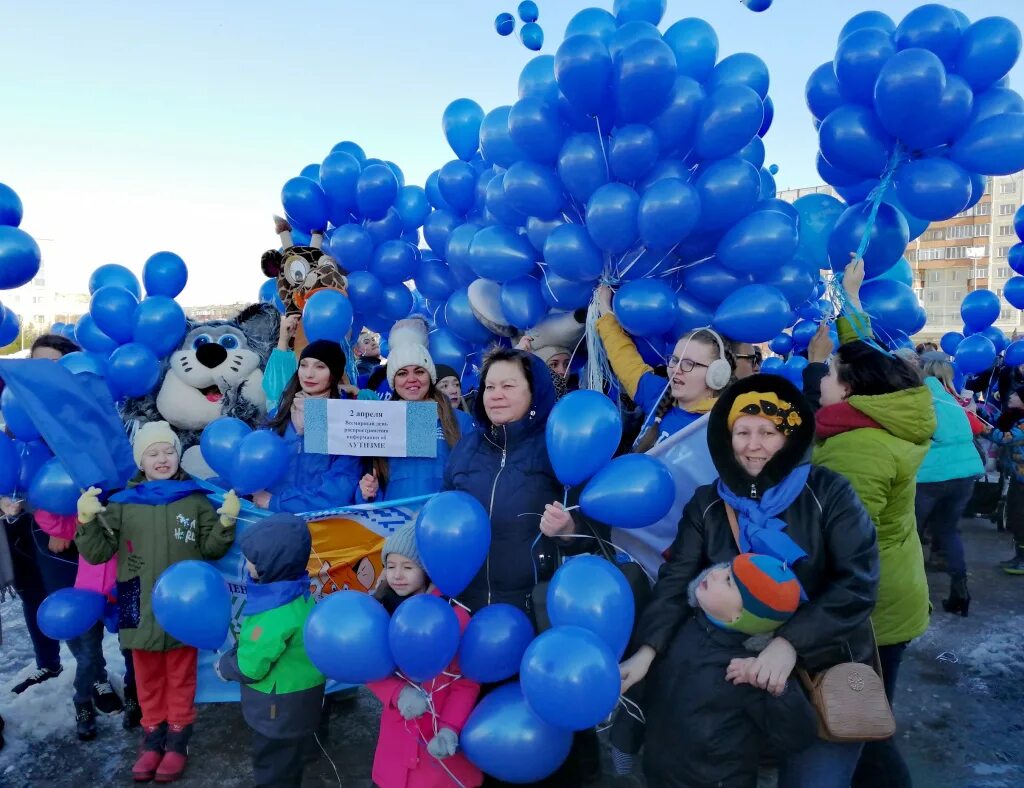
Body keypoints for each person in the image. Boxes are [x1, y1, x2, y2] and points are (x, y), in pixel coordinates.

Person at [618, 374, 880, 788]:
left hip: (819, 669)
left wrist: (788, 644)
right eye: (742, 432)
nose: (753, 446)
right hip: (734, 679)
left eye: (768, 432)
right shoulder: (709, 501)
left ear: (791, 437)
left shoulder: (829, 493)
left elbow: (858, 582)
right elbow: (676, 579)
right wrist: (647, 651)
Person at [804, 258, 933, 788]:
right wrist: (850, 300)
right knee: (863, 716)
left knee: (856, 724)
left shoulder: (857, 448)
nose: (822, 381)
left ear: (851, 391)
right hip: (892, 596)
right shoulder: (888, 414)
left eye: (829, 376)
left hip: (867, 610)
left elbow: (840, 543)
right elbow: (870, 362)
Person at [75, 421, 239, 782]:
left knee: (180, 675)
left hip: (185, 603)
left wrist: (225, 520)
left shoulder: (194, 500)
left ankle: (178, 742)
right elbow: (99, 552)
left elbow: (212, 548)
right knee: (147, 676)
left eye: (168, 451)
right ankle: (152, 742)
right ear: (141, 460)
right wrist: (86, 520)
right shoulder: (121, 505)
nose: (162, 459)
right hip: (136, 599)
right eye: (153, 453)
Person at [4, 334, 135, 735]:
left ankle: (137, 689)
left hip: (108, 534)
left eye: (55, 365)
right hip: (56, 540)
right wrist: (58, 525)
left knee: (129, 613)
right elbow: (32, 478)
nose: (45, 373)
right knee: (81, 623)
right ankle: (92, 681)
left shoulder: (98, 413)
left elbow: (119, 474)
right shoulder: (27, 413)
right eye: (37, 364)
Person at [367, 524, 482, 788]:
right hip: (395, 748)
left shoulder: (454, 618)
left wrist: (450, 729)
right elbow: (368, 669)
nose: (397, 575)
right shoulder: (377, 614)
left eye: (408, 567)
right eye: (391, 565)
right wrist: (397, 694)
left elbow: (465, 681)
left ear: (427, 570)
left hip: (438, 752)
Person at [217, 513, 326, 788]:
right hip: (304, 700)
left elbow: (252, 666)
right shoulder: (298, 592)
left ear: (272, 562)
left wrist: (225, 667)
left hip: (278, 709)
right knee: (292, 761)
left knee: (273, 769)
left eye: (252, 559)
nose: (248, 564)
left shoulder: (274, 610)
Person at [596, 285, 735, 451]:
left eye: (689, 364)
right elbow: (623, 357)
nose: (676, 369)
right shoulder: (659, 394)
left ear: (717, 375)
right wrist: (604, 306)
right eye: (675, 360)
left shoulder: (721, 429)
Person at [358, 320, 474, 504]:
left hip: (444, 522)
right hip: (394, 526)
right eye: (402, 373)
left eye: (419, 371)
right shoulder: (378, 422)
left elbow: (476, 479)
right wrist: (366, 492)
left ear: (430, 376)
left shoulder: (463, 422)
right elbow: (370, 488)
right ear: (393, 381)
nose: (411, 379)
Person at [254, 340, 362, 513]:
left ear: (334, 374)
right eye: (303, 365)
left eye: (320, 367)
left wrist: (277, 502)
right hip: (268, 520)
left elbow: (338, 490)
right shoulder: (278, 414)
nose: (308, 374)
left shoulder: (345, 420)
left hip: (319, 526)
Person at [915, 352, 984, 614]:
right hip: (965, 474)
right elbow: (975, 429)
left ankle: (918, 597)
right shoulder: (955, 400)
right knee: (948, 531)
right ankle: (960, 590)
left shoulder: (920, 397)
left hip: (931, 476)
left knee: (911, 534)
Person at [984, 390, 1024, 575]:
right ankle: (1019, 556)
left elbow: (1004, 438)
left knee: (1020, 517)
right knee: (1016, 516)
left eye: (1015, 395)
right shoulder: (1016, 417)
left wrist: (980, 427)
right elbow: (1000, 422)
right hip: (1017, 476)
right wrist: (982, 412)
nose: (1010, 397)